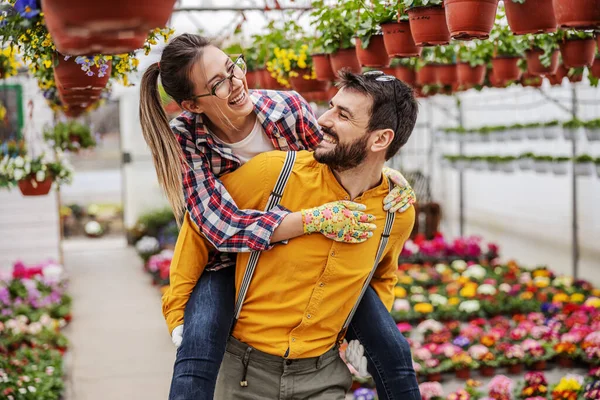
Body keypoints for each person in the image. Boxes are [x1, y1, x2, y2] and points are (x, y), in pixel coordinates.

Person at [139, 33, 417, 399]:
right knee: (197, 351)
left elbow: (333, 155)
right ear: (192, 105)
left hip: (291, 258)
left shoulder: (285, 107)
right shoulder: (185, 139)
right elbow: (214, 228)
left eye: (232, 67)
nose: (237, 83)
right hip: (225, 259)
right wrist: (312, 220)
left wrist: (388, 176)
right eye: (218, 84)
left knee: (395, 352)